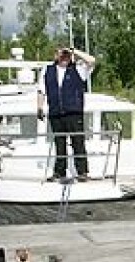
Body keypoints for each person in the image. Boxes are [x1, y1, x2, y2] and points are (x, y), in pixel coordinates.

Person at [38, 47, 95, 182]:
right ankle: (59, 172)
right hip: (56, 112)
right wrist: (39, 107)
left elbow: (92, 60)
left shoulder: (79, 69)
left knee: (78, 142)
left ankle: (82, 172)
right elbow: (41, 90)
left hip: (73, 112)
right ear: (56, 55)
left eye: (66, 55)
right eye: (61, 54)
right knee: (60, 144)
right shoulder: (47, 70)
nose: (64, 57)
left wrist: (74, 51)